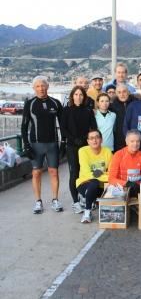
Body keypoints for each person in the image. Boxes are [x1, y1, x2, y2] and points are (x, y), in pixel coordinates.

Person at [21, 75, 65, 214]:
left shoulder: (56, 103)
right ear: (34, 88)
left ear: (48, 87)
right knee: (36, 173)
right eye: (38, 86)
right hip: (36, 144)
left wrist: (63, 141)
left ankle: (55, 199)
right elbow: (24, 126)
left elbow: (62, 124)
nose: (41, 88)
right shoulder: (30, 103)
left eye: (43, 85)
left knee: (53, 172)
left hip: (52, 144)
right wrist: (26, 145)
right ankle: (38, 201)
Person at [61, 86, 97, 214]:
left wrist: (84, 139)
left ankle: (85, 197)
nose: (78, 97)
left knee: (87, 172)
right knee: (74, 173)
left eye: (81, 94)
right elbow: (63, 128)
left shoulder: (88, 111)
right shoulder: (66, 111)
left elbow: (93, 127)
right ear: (72, 96)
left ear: (84, 97)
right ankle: (75, 201)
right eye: (76, 94)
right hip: (72, 146)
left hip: (86, 146)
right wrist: (73, 139)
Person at [76, 129, 113, 223]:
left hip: (102, 184)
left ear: (101, 139)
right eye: (91, 138)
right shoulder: (82, 151)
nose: (95, 140)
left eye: (97, 137)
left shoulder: (107, 151)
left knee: (111, 185)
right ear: (88, 141)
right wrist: (105, 175)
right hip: (85, 182)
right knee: (94, 183)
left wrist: (103, 175)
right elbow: (86, 172)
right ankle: (87, 212)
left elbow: (112, 171)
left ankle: (92, 199)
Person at [108, 130, 141, 197]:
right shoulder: (118, 155)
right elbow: (111, 179)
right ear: (126, 142)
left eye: (138, 141)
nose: (135, 144)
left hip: (137, 187)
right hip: (121, 188)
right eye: (132, 141)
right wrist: (127, 183)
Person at [110, 84, 136, 151]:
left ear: (128, 92)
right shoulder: (112, 106)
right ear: (116, 94)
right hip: (119, 141)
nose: (122, 94)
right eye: (119, 92)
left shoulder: (136, 103)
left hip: (134, 140)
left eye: (124, 91)